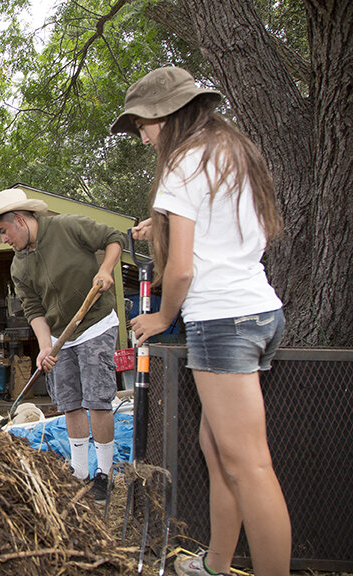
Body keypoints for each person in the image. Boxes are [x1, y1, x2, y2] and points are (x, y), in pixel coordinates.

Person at [111, 67, 290, 576]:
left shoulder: (182, 162)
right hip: (259, 309)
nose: (142, 137)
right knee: (216, 450)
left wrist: (160, 315)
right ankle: (215, 564)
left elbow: (183, 268)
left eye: (142, 125)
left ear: (166, 116)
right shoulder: (230, 151)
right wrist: (162, 226)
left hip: (222, 320)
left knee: (249, 465)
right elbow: (224, 230)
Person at [0, 188, 125, 503]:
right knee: (69, 401)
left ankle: (105, 475)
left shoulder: (67, 226)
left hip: (96, 322)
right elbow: (34, 309)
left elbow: (113, 237)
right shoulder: (19, 266)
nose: (4, 239)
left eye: (4, 231)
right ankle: (81, 471)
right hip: (60, 335)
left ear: (19, 219)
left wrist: (105, 269)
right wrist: (45, 346)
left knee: (97, 399)